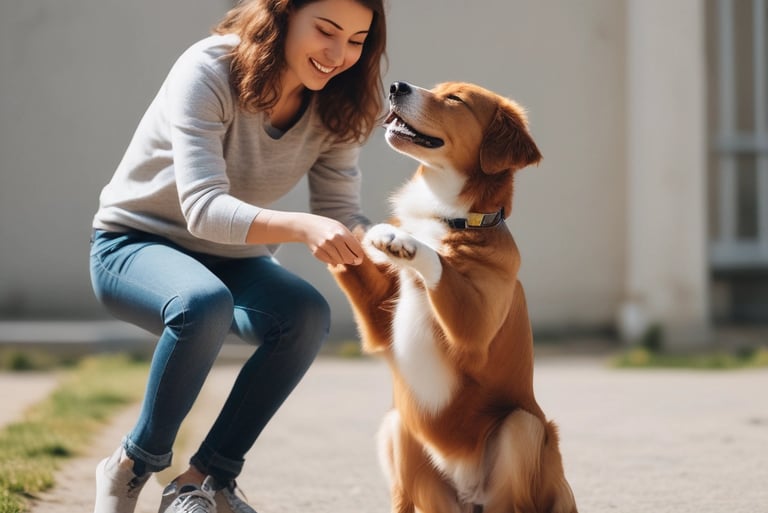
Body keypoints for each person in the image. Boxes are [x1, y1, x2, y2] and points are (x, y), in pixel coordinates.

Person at [89, 0, 387, 512]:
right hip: (133, 243)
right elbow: (203, 208)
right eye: (326, 30)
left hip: (233, 258)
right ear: (283, 15)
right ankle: (131, 466)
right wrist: (301, 227)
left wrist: (389, 244)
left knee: (304, 315)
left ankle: (207, 480)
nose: (339, 54)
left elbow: (340, 211)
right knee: (202, 304)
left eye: (357, 41)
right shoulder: (209, 69)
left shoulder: (339, 103)